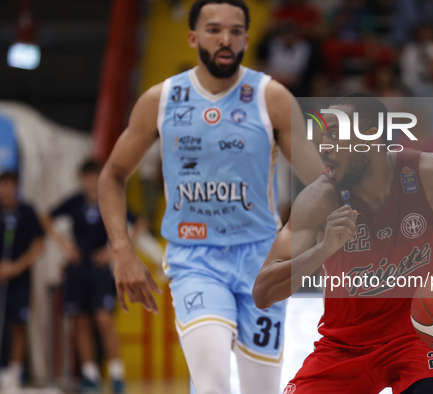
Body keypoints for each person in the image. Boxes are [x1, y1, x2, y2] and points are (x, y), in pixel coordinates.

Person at [96, 1, 323, 393]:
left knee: (260, 390)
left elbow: (321, 182)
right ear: (193, 37)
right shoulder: (161, 100)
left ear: (247, 40)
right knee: (212, 382)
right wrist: (121, 250)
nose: (225, 39)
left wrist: (301, 237)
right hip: (195, 260)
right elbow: (111, 176)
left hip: (261, 262)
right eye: (215, 29)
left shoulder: (272, 98)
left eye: (236, 31)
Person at [253, 94, 433, 393]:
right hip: (344, 346)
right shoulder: (319, 199)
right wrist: (323, 249)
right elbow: (263, 293)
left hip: (417, 339)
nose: (323, 146)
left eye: (334, 135)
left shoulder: (430, 174)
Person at [43, 160, 145, 393]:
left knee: (103, 319)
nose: (89, 182)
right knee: (80, 322)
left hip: (99, 272)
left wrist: (114, 251)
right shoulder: (75, 201)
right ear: (81, 179)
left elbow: (139, 222)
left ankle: (118, 375)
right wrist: (65, 245)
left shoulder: (108, 201)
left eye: (93, 177)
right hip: (77, 269)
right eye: (86, 177)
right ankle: (90, 375)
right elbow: (46, 217)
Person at [0, 171, 44, 389]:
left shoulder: (27, 211)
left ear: (17, 186)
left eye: (10, 185)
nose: (6, 190)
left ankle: (14, 371)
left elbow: (39, 245)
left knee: (18, 323)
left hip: (20, 280)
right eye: (2, 185)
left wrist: (16, 267)